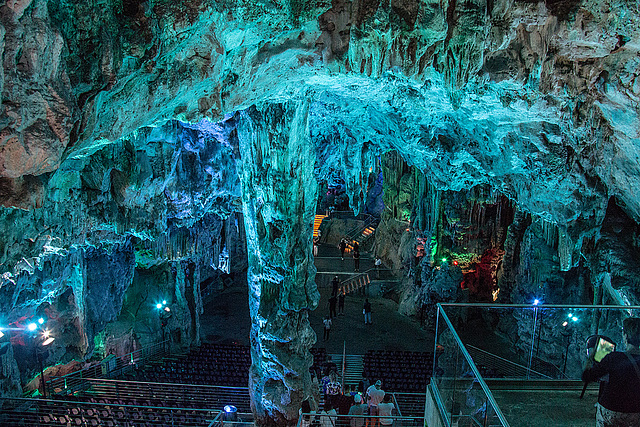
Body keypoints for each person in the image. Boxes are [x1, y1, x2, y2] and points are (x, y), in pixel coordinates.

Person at [582, 317, 640, 426]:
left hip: (610, 409)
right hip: (635, 411)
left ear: (626, 336)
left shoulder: (613, 358)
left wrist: (591, 358)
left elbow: (587, 376)